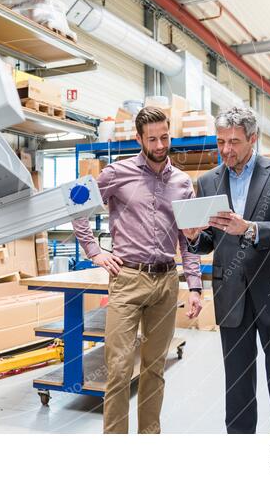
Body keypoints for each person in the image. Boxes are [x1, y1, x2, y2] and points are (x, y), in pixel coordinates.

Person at [73, 106, 203, 434]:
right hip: (127, 280)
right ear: (138, 139)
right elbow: (77, 204)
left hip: (166, 282)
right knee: (118, 370)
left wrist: (196, 286)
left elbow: (188, 240)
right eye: (152, 139)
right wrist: (94, 252)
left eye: (164, 137)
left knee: (154, 369)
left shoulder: (183, 183)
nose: (160, 145)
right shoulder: (117, 173)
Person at [182, 106, 270, 434]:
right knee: (237, 390)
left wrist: (251, 228)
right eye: (221, 141)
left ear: (252, 139)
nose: (226, 149)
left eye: (235, 142)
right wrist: (195, 238)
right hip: (232, 297)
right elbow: (210, 239)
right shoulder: (208, 180)